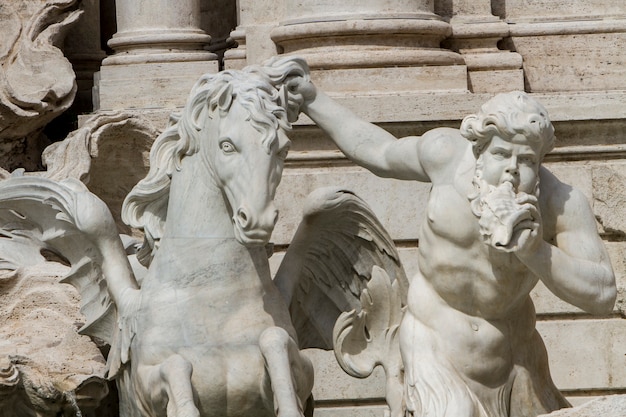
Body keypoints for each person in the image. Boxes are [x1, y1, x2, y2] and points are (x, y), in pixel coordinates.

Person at [287, 81, 616, 417]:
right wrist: (313, 101)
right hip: (433, 344)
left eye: (528, 160)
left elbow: (603, 294)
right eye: (501, 154)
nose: (512, 170)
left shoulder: (561, 203)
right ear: (480, 148)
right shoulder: (445, 154)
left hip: (515, 359)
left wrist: (537, 254)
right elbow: (377, 151)